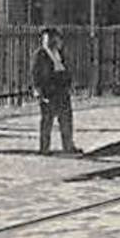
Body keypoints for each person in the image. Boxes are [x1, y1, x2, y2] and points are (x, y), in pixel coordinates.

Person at [31, 26, 78, 154]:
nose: (51, 41)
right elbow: (35, 73)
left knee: (66, 119)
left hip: (62, 90)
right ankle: (44, 148)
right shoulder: (40, 55)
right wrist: (37, 89)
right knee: (47, 120)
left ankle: (68, 146)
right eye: (47, 38)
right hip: (49, 91)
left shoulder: (60, 53)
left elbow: (66, 68)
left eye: (53, 38)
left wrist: (69, 83)